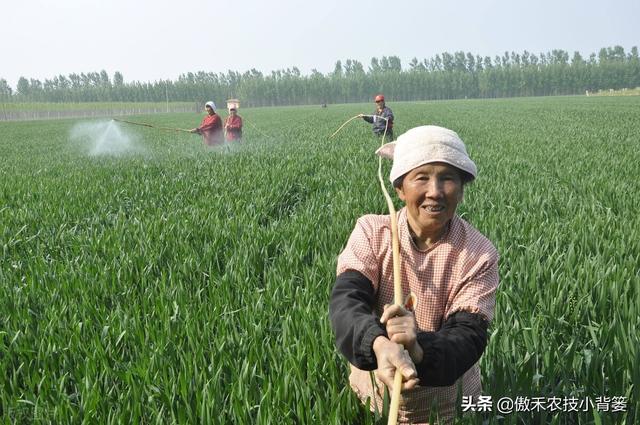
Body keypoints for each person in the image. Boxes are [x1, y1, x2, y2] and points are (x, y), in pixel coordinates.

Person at [329, 125, 499, 424]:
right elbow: (346, 301)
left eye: (447, 178)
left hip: (448, 407)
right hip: (377, 398)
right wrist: (379, 344)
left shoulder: (478, 252)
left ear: (461, 189)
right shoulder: (373, 233)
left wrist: (417, 348)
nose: (434, 191)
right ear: (399, 188)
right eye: (421, 178)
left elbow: (468, 335)